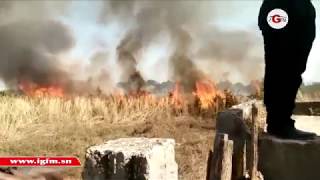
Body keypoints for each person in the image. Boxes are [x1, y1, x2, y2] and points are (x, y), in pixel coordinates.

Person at [258, 0, 316, 139]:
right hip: (283, 7)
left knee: (294, 70)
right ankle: (278, 124)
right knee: (282, 66)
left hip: (300, 10)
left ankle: (282, 122)